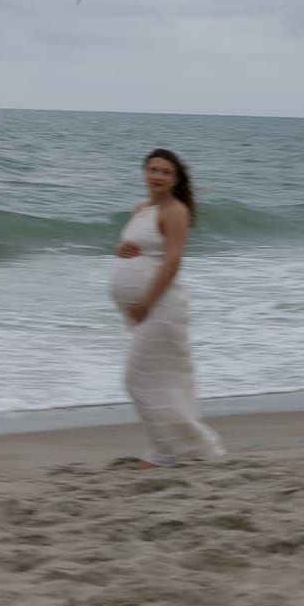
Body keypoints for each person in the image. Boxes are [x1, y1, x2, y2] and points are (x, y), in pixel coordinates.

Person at [110, 148, 225, 468]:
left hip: (163, 306)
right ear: (144, 173)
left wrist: (145, 302)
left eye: (165, 172)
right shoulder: (141, 208)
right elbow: (139, 249)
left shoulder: (175, 211)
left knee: (138, 378)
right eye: (152, 169)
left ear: (175, 180)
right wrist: (120, 248)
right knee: (159, 378)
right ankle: (169, 450)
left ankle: (168, 453)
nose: (157, 176)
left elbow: (173, 261)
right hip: (145, 310)